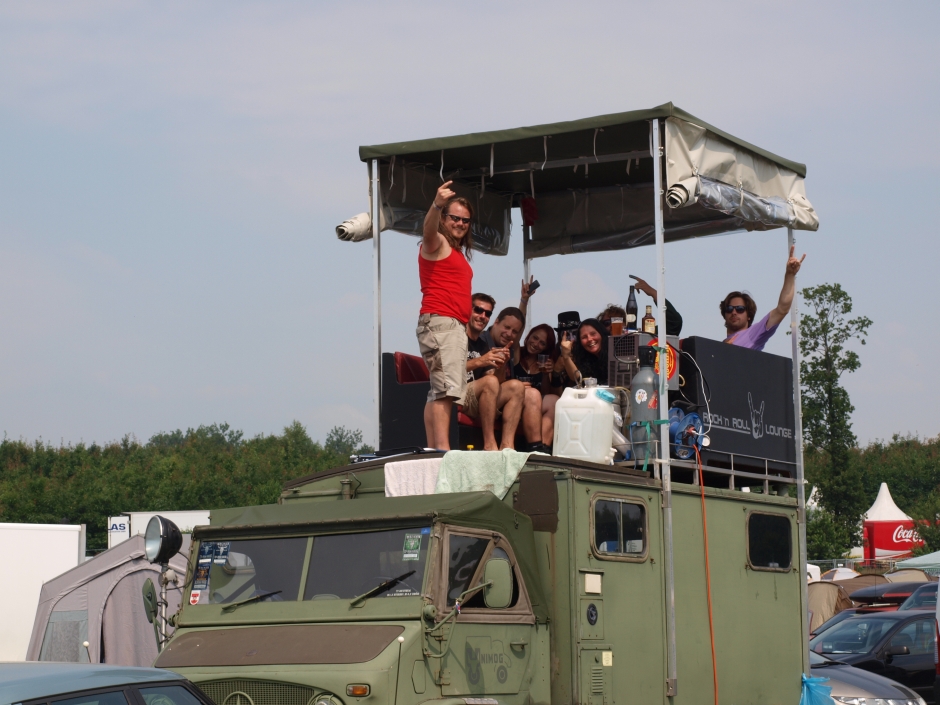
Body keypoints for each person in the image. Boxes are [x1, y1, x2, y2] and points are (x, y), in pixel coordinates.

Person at [416, 180, 474, 450]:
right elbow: (428, 231)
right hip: (441, 323)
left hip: (450, 326)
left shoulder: (458, 252)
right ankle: (442, 451)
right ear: (444, 218)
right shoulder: (436, 242)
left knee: (438, 392)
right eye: (454, 218)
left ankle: (433, 450)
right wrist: (436, 205)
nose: (460, 223)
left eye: (465, 220)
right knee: (445, 392)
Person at [463, 302, 525, 451]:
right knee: (490, 382)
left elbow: (494, 379)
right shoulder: (460, 338)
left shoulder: (484, 345)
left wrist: (502, 363)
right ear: (496, 322)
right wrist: (481, 360)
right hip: (457, 393)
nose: (509, 334)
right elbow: (447, 367)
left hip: (480, 397)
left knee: (517, 386)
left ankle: (507, 447)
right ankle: (489, 445)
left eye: (514, 332)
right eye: (507, 327)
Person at [721, 246, 806, 352]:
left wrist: (790, 274)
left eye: (739, 309)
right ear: (724, 314)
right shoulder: (718, 347)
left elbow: (782, 310)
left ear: (749, 315)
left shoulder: (752, 334)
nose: (734, 312)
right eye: (729, 309)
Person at [514, 324, 560, 448]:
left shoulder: (546, 362)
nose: (536, 344)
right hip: (514, 401)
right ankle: (535, 446)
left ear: (546, 348)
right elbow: (518, 330)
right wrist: (524, 303)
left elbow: (545, 392)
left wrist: (546, 375)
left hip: (533, 406)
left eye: (542, 343)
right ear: (528, 336)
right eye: (534, 338)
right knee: (531, 394)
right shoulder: (518, 353)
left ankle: (542, 449)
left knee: (554, 400)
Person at [557, 318, 610, 387]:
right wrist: (566, 356)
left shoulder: (614, 350)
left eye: (593, 334)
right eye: (584, 337)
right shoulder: (583, 356)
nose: (589, 339)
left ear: (601, 334)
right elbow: (577, 379)